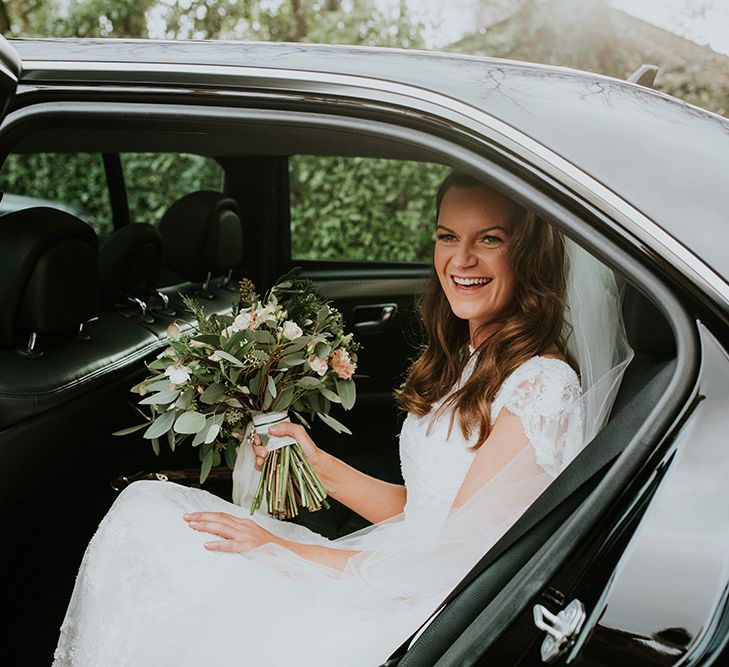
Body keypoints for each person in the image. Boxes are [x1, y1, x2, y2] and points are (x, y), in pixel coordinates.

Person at [53, 172, 628, 666]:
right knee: (149, 511)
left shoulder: (541, 386)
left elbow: (460, 565)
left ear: (530, 254)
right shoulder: (475, 357)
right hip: (403, 566)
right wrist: (317, 464)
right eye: (448, 236)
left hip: (418, 612)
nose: (461, 259)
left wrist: (279, 550)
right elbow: (431, 510)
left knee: (168, 541)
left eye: (491, 240)